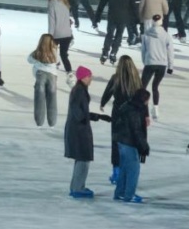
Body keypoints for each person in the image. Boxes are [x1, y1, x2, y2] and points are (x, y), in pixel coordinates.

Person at [103, 58, 151, 202]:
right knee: (132, 152)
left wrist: (103, 102)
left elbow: (108, 91)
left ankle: (116, 172)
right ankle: (128, 192)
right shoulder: (137, 79)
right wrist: (146, 114)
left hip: (119, 113)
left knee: (117, 143)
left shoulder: (116, 78)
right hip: (135, 112)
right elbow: (143, 98)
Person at [62, 65, 105, 198]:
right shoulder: (79, 91)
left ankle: (77, 186)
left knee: (82, 158)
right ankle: (77, 188)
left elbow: (81, 111)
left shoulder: (80, 89)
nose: (91, 79)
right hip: (78, 130)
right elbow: (78, 111)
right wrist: (83, 118)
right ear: (84, 77)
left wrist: (96, 116)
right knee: (83, 158)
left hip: (78, 128)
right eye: (89, 76)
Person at [26, 33, 64, 127]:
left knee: (39, 100)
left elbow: (29, 60)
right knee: (52, 99)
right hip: (52, 77)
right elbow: (58, 62)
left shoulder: (37, 53)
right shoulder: (54, 52)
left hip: (40, 76)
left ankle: (39, 121)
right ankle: (52, 121)